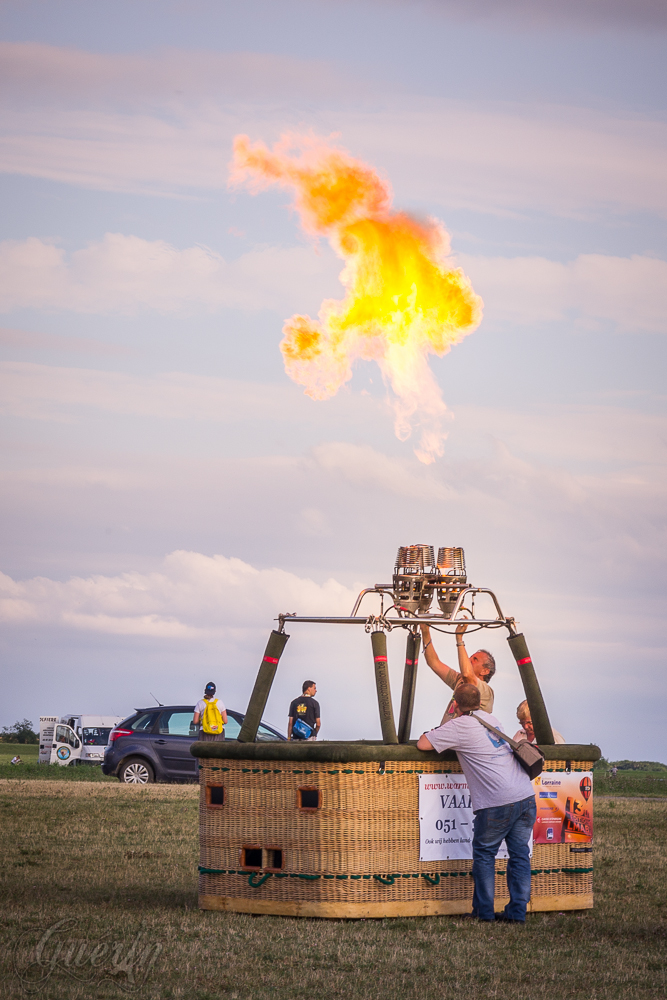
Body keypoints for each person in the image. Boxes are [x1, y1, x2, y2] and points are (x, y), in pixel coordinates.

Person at [417, 683, 536, 923]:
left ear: (455, 704)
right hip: (525, 794)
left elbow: (423, 743)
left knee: (484, 855)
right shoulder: (492, 720)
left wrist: (449, 718)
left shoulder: (459, 725)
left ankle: (484, 913)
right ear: (480, 702)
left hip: (496, 800)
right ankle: (517, 914)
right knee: (520, 855)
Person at [420, 622, 496, 724]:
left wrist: (459, 639)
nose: (469, 660)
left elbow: (467, 675)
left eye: (475, 659)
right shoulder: (460, 680)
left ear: (485, 671)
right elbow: (434, 662)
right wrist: (425, 632)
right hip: (448, 737)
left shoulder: (486, 691)